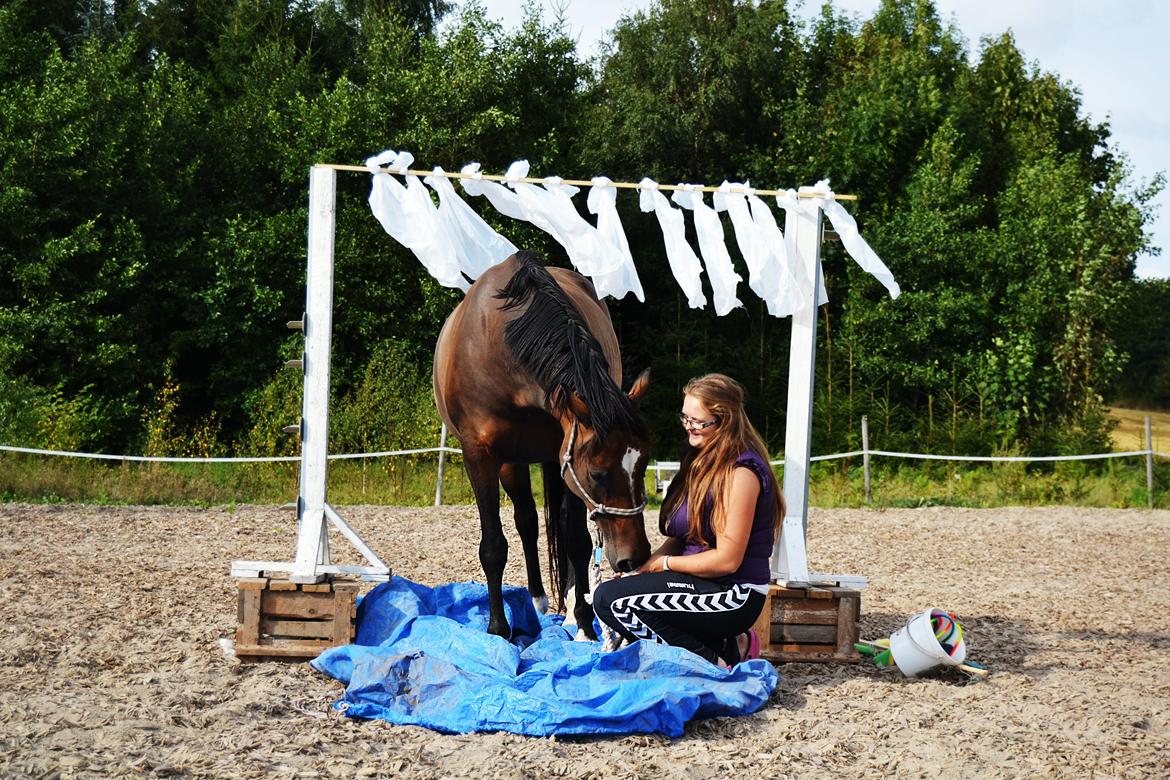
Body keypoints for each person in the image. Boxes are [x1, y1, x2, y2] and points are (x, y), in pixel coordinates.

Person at [592, 373, 784, 668]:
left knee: (612, 602)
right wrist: (644, 571)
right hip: (698, 582)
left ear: (725, 420)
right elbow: (681, 537)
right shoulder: (698, 459)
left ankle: (713, 666)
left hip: (733, 593)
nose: (689, 427)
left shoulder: (742, 473)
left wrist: (664, 565)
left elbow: (727, 561)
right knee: (614, 593)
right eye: (685, 418)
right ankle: (729, 646)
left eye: (698, 422)